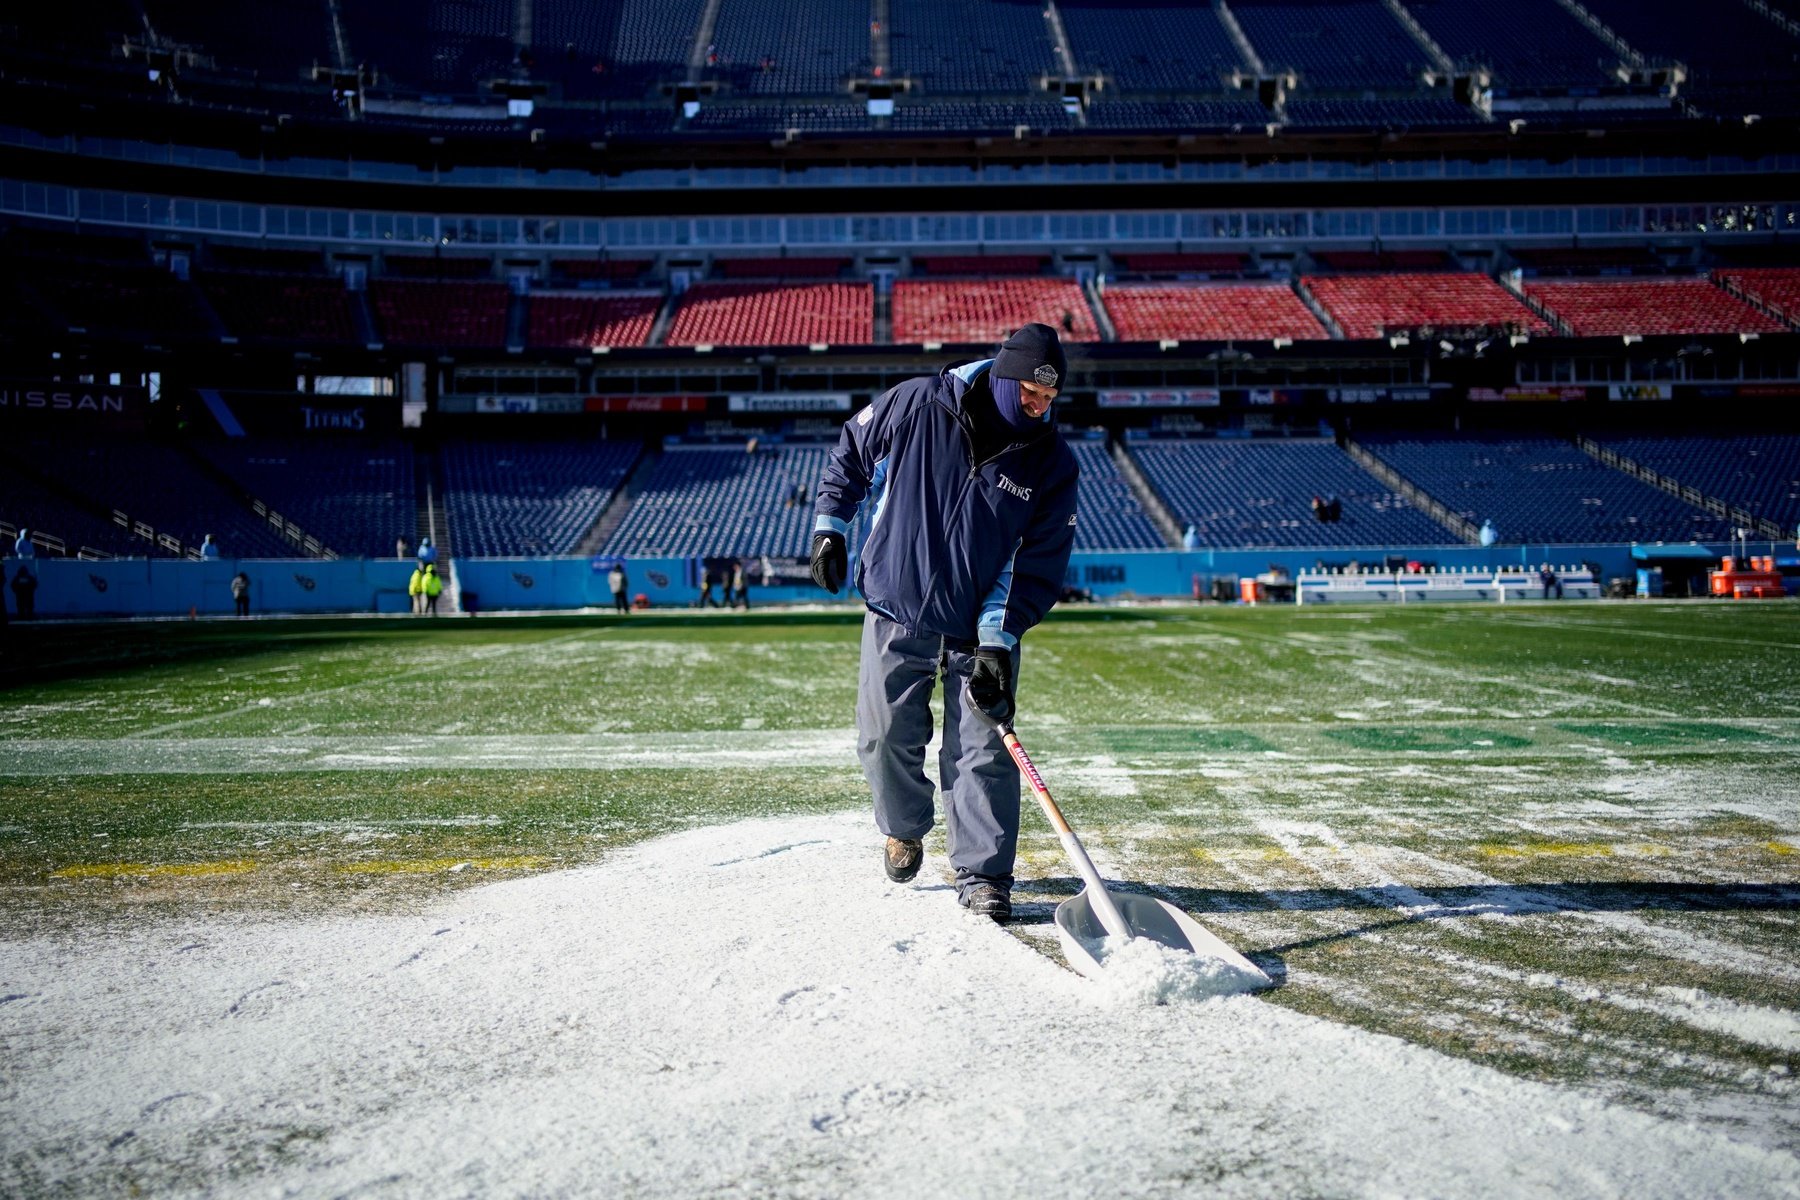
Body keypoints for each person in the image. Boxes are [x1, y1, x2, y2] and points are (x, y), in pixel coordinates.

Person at [810, 322, 1079, 923]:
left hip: (978, 627)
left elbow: (1035, 564)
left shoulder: (1051, 463)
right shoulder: (918, 401)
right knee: (883, 737)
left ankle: (984, 875)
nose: (1039, 407)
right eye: (1031, 394)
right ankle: (903, 828)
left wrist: (996, 641)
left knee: (983, 749)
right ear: (1005, 377)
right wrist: (831, 525)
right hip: (895, 602)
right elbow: (851, 452)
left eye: (1049, 399)